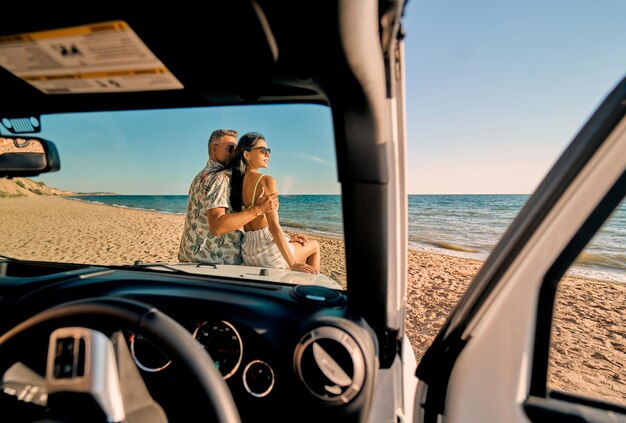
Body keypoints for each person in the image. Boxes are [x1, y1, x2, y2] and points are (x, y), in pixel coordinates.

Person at [178, 129, 278, 264]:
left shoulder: (201, 176)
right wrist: (258, 210)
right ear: (214, 148)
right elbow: (218, 226)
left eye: (236, 149)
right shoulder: (220, 178)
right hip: (214, 262)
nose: (235, 153)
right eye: (230, 148)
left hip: (189, 256)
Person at [227, 132, 320, 274]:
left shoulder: (235, 183)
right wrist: (293, 263)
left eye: (268, 151)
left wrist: (288, 238)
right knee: (314, 245)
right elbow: (273, 227)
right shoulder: (266, 180)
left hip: (250, 253)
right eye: (263, 150)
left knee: (297, 245)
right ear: (247, 155)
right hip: (270, 255)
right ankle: (311, 291)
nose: (268, 154)